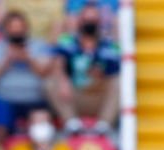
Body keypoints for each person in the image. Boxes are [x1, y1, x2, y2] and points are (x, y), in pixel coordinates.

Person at [48, 3, 120, 134]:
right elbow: (57, 61)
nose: (89, 24)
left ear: (99, 22)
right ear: (79, 21)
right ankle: (72, 124)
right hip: (74, 95)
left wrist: (102, 73)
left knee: (118, 82)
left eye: (93, 20)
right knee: (50, 82)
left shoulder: (109, 45)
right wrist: (63, 80)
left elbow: (116, 68)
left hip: (98, 96)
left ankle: (104, 126)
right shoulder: (67, 41)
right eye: (86, 20)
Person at [0, 11, 55, 125]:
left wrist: (29, 59)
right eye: (13, 27)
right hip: (5, 99)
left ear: (26, 28)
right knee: (0, 118)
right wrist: (5, 62)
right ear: (5, 29)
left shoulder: (39, 45)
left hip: (35, 99)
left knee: (41, 122)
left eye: (20, 27)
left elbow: (46, 73)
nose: (17, 31)